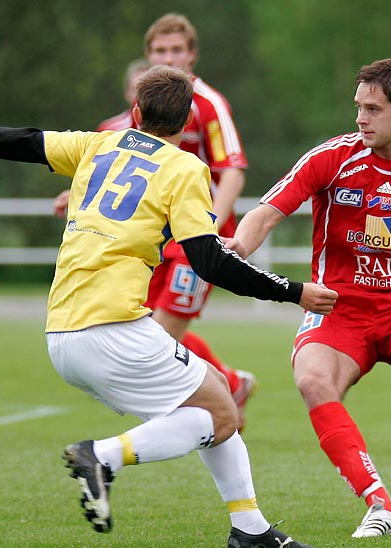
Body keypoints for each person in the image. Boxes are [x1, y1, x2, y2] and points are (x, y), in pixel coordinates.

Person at [0, 65, 338, 548]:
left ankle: (251, 531)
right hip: (113, 329)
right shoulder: (185, 169)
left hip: (61, 333)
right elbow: (209, 261)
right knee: (222, 418)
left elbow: (17, 140)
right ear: (184, 125)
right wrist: (292, 291)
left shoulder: (97, 146)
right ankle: (103, 457)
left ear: (135, 112)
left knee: (216, 394)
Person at [227, 58, 391, 538]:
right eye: (358, 107)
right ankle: (380, 505)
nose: (360, 118)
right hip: (338, 307)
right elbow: (268, 211)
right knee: (313, 381)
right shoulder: (331, 158)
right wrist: (239, 246)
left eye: (373, 109)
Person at [54, 13, 258, 431]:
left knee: (160, 335)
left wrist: (207, 229)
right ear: (148, 57)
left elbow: (233, 170)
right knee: (148, 331)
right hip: (149, 240)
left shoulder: (208, 104)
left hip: (194, 240)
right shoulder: (125, 123)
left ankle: (186, 416)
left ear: (192, 55)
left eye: (177, 50)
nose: (170, 57)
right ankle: (229, 384)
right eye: (160, 51)